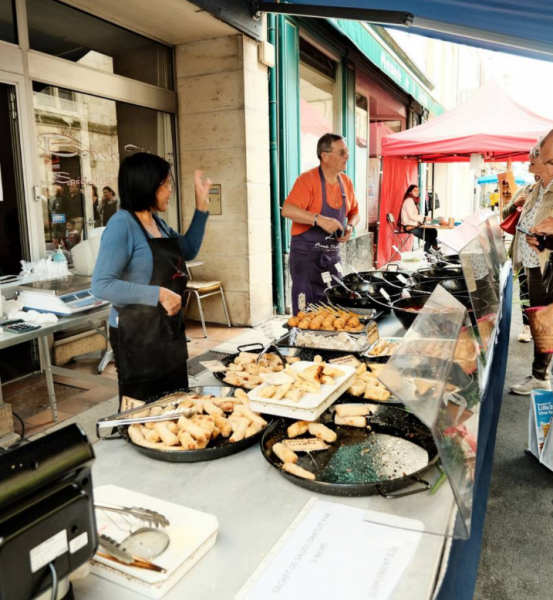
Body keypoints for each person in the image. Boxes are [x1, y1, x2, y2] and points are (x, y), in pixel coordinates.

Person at [91, 153, 211, 404]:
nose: (170, 190)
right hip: (137, 333)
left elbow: (188, 249)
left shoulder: (158, 223)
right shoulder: (122, 225)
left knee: (174, 400)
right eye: (166, 184)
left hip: (168, 329)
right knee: (143, 410)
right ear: (147, 185)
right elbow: (101, 285)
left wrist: (201, 208)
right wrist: (157, 293)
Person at [281, 133, 360, 314]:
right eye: (341, 153)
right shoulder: (307, 180)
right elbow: (287, 210)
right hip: (306, 257)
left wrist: (350, 226)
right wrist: (319, 219)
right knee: (306, 309)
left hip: (332, 256)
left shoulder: (346, 182)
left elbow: (355, 212)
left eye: (346, 152)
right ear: (324, 156)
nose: (347, 156)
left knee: (332, 305)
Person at [510, 144, 553, 395]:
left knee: (543, 324)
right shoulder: (537, 188)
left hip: (544, 265)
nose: (528, 160)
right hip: (530, 264)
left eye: (533, 156)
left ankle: (540, 377)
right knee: (539, 321)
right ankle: (540, 373)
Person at [501, 177, 538, 343]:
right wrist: (515, 204)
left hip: (544, 252)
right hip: (522, 250)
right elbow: (504, 214)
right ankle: (527, 326)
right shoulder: (525, 190)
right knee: (525, 289)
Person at [399, 184, 446, 253]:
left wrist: (424, 219)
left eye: (418, 191)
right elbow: (411, 215)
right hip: (409, 226)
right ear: (410, 192)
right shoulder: (409, 200)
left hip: (415, 224)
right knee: (429, 237)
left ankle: (433, 248)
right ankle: (428, 252)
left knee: (433, 231)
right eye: (414, 191)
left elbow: (414, 215)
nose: (417, 192)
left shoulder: (413, 201)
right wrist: (424, 219)